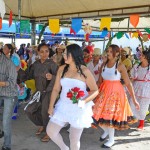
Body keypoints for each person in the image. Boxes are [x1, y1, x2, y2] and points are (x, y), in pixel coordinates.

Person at [46, 44, 98, 150]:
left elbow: (95, 90)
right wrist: (51, 106)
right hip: (63, 106)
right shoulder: (62, 69)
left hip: (78, 108)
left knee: (74, 139)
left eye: (66, 53)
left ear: (74, 55)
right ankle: (64, 148)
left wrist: (84, 101)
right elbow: (56, 89)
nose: (63, 55)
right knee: (50, 131)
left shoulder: (85, 71)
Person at [92, 44, 140, 148]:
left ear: (117, 53)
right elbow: (99, 81)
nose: (108, 53)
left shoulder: (120, 66)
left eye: (110, 51)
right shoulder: (103, 64)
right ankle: (106, 132)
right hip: (104, 93)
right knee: (96, 115)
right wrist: (91, 92)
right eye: (107, 51)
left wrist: (135, 100)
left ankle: (111, 140)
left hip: (116, 95)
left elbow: (128, 83)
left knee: (109, 117)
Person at [21, 43, 58, 142]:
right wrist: (18, 70)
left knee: (45, 112)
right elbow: (28, 75)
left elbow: (60, 79)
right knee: (29, 110)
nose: (44, 54)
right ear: (38, 52)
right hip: (38, 92)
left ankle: (48, 132)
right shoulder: (36, 64)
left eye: (46, 51)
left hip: (49, 92)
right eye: (42, 51)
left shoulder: (52, 64)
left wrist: (52, 77)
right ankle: (42, 124)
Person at [0, 47, 18, 150]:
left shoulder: (9, 63)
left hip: (9, 94)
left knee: (6, 122)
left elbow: (12, 83)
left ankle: (7, 146)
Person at [129, 49, 150, 130]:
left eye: (142, 55)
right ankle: (132, 119)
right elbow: (132, 78)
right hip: (136, 86)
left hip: (147, 88)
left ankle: (141, 123)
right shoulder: (136, 66)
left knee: (143, 106)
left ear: (147, 57)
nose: (140, 56)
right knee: (132, 103)